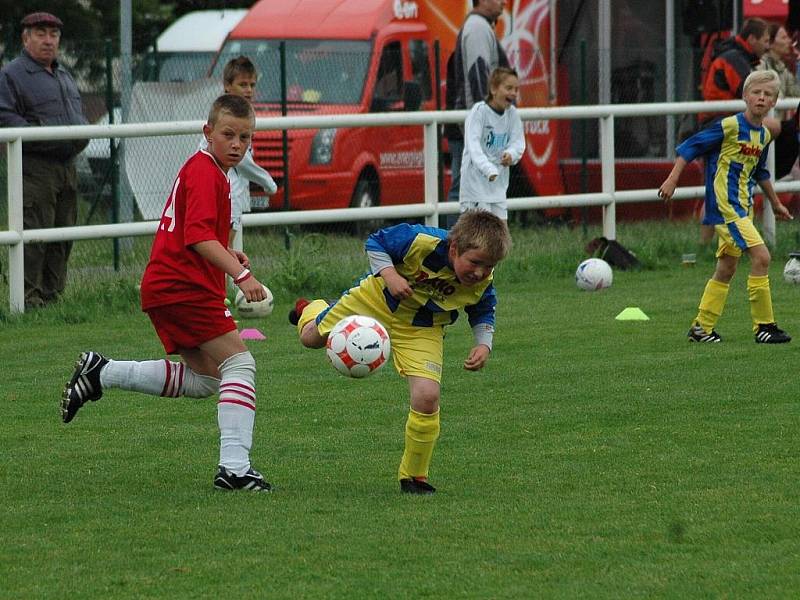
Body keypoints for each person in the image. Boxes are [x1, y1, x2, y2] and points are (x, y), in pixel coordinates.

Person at [61, 94, 273, 492]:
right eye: (228, 134)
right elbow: (196, 238)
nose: (237, 144)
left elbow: (198, 234)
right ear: (207, 132)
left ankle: (101, 371)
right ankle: (235, 469)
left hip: (172, 286)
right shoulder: (206, 172)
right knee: (240, 365)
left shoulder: (208, 170)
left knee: (207, 379)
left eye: (245, 138)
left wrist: (226, 252)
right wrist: (241, 274)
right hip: (182, 288)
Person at [288, 211, 511, 494]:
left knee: (427, 396)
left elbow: (483, 310)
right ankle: (312, 308)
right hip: (376, 300)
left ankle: (414, 477)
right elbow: (377, 241)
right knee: (310, 339)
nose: (480, 272)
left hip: (423, 327)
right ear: (454, 248)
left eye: (489, 266)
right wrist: (390, 274)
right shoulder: (422, 240)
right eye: (475, 262)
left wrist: (483, 343)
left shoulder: (482, 280)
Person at [658, 70, 793, 344]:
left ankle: (701, 328)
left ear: (774, 102)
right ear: (745, 96)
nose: (761, 98)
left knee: (727, 267)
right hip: (726, 208)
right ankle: (764, 326)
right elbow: (689, 147)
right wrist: (672, 180)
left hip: (742, 208)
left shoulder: (764, 135)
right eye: (756, 92)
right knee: (763, 257)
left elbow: (761, 173)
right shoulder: (729, 126)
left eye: (767, 94)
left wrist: (776, 203)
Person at [0, 12, 88, 309]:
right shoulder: (11, 75)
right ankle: (27, 300)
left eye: (53, 34)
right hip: (34, 168)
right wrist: (51, 137)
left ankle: (53, 298)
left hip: (68, 167)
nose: (48, 40)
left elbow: (79, 117)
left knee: (63, 234)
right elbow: (7, 120)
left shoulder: (64, 75)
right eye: (41, 33)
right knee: (34, 234)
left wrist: (81, 133)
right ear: (26, 38)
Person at [200, 56, 277, 250]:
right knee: (223, 248)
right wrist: (268, 182)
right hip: (224, 189)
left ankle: (230, 280)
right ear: (227, 85)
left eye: (252, 84)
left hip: (231, 189)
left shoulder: (244, 112)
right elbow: (242, 161)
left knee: (228, 249)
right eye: (243, 84)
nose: (249, 90)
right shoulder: (227, 114)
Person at [444, 0, 508, 224]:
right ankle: (453, 248)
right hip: (470, 128)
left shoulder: (477, 26)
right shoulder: (479, 28)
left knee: (466, 191)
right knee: (464, 192)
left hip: (466, 126)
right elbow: (477, 76)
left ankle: (457, 247)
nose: (503, 2)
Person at [459, 67, 524, 221]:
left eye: (516, 89)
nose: (514, 93)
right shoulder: (479, 112)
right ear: (494, 89)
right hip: (475, 188)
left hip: (498, 188)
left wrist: (512, 155)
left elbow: (518, 142)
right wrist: (488, 169)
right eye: (509, 88)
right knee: (478, 238)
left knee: (500, 234)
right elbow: (473, 147)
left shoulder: (512, 114)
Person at [700, 18, 770, 127]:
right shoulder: (734, 58)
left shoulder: (737, 57)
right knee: (774, 127)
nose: (767, 47)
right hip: (719, 120)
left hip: (722, 118)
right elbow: (749, 91)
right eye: (765, 41)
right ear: (751, 39)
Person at [758, 22, 800, 120]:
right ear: (770, 43)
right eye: (784, 38)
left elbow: (796, 92)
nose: (789, 41)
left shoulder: (782, 68)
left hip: (777, 124)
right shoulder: (760, 65)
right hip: (764, 124)